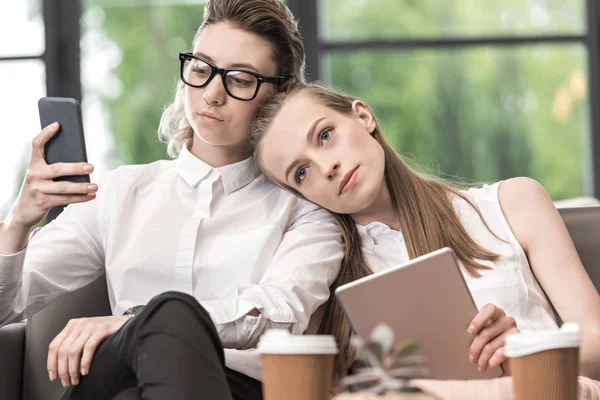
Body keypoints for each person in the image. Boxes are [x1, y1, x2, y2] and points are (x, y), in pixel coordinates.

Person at [0, 2, 347, 399]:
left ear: (279, 94)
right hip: (112, 381)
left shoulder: (304, 210)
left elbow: (278, 315)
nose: (212, 95)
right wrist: (19, 224)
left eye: (240, 79)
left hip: (235, 389)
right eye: (201, 69)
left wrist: (142, 321)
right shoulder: (120, 193)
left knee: (170, 319)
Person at [249, 83, 600, 380]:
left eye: (325, 135)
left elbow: (596, 342)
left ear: (363, 116)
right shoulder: (326, 284)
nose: (327, 167)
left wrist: (527, 354)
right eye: (301, 173)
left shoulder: (513, 203)